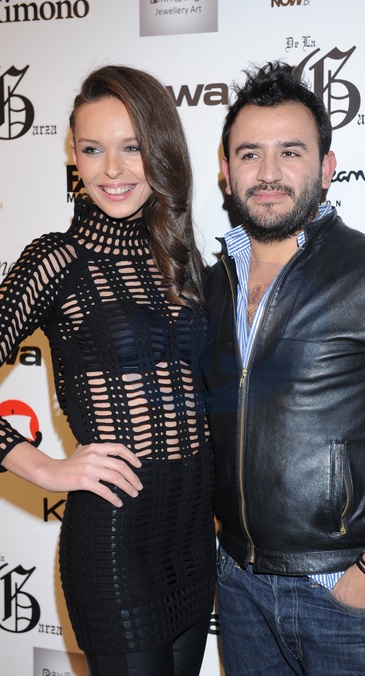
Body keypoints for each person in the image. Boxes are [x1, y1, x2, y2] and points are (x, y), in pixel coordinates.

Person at [201, 60, 365, 675]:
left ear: (326, 167)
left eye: (291, 152)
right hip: (238, 587)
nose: (269, 173)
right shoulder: (211, 285)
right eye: (250, 154)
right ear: (226, 171)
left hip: (344, 594)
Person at [0, 65, 216, 676]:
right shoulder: (56, 260)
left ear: (161, 151)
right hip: (118, 543)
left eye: (132, 148)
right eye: (93, 149)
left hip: (194, 540)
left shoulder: (181, 259)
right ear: (74, 153)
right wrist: (44, 467)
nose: (112, 170)